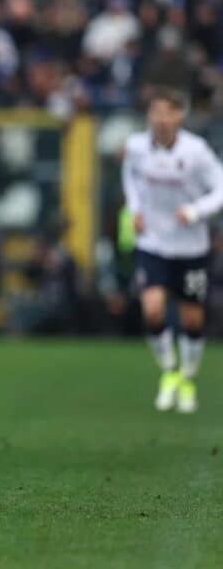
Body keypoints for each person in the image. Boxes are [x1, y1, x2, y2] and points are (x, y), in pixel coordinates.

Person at [122, 85, 223, 414]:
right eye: (156, 113)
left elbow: (221, 188)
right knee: (152, 309)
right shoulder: (137, 147)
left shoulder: (196, 151)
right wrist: (135, 209)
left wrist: (195, 211)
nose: (161, 120)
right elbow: (130, 177)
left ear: (180, 116)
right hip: (153, 243)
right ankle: (168, 370)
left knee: (191, 318)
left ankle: (188, 377)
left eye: (168, 113)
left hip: (190, 247)